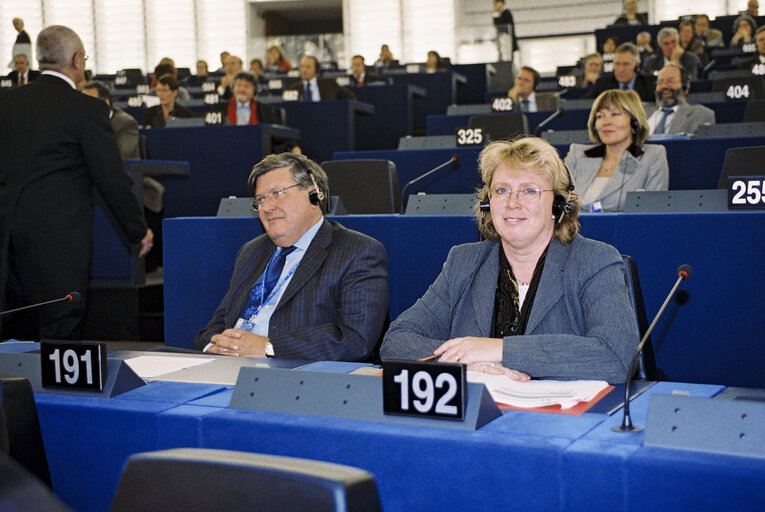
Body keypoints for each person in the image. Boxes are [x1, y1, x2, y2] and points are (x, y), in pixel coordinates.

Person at [380, 137, 637, 384]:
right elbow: (397, 340)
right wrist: (462, 363)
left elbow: (616, 357)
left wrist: (499, 349)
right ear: (487, 204)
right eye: (501, 191)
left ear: (557, 205)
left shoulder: (594, 261)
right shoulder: (464, 261)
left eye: (529, 191)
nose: (513, 203)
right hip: (479, 417)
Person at [0, 25, 152, 340]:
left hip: (7, 241)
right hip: (55, 244)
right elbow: (112, 178)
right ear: (77, 60)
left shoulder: (6, 103)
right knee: (58, 333)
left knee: (13, 338)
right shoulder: (87, 109)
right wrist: (138, 230)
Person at [194, 153, 388, 360]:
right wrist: (214, 347)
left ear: (314, 195)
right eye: (260, 199)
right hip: (228, 365)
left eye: (277, 193)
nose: (266, 207)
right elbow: (213, 329)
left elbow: (355, 340)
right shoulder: (251, 251)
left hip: (297, 377)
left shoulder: (358, 252)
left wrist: (268, 348)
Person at [82, 80, 166, 272]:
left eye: (89, 100)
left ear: (105, 102)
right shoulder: (83, 123)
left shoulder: (125, 122)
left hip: (131, 183)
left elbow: (118, 157)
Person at [565, 89, 668, 212]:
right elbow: (557, 199)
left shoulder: (652, 156)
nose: (606, 122)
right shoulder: (577, 153)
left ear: (634, 123)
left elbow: (653, 212)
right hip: (572, 228)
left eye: (615, 114)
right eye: (600, 116)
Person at [646, 63, 715, 135]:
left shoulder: (701, 114)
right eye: (660, 82)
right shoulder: (641, 111)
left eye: (670, 81)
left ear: (685, 87)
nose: (664, 86)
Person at [587, 43, 655, 101]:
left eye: (626, 64)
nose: (621, 69)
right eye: (617, 64)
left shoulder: (649, 84)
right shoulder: (602, 84)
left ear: (636, 65)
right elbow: (583, 104)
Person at [285, 56, 356, 101]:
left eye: (308, 67)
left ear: (316, 69)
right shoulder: (293, 89)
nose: (304, 70)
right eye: (302, 66)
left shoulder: (330, 84)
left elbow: (351, 97)